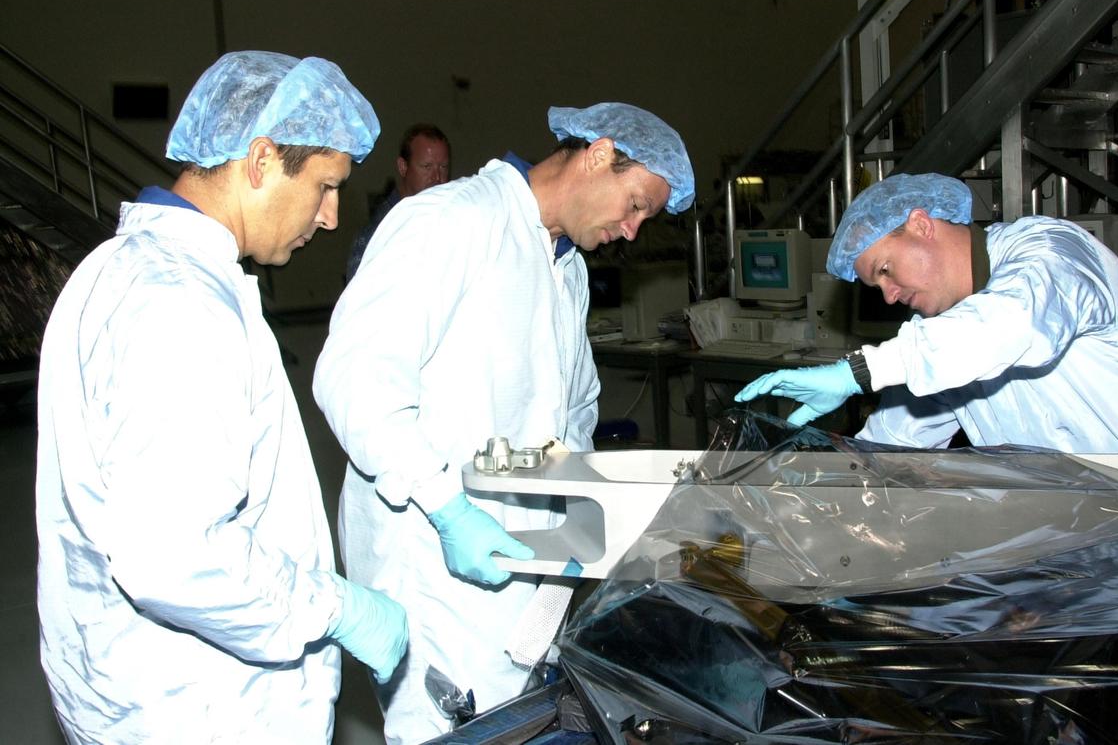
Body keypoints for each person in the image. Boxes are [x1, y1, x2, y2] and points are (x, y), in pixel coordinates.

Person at [35, 51, 409, 744]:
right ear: (262, 160)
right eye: (326, 186)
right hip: (199, 708)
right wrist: (334, 607)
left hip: (135, 683)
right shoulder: (179, 304)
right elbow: (175, 552)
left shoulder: (118, 268)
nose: (330, 217)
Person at [313, 102, 695, 743]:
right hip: (437, 559)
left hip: (523, 564)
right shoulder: (453, 222)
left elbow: (573, 405)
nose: (632, 230)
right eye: (634, 204)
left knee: (520, 720)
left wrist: (584, 505)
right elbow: (356, 379)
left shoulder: (564, 264)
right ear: (598, 154)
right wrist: (447, 508)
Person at [736, 172, 1118, 454]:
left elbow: (1016, 324)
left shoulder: (1048, 249)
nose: (889, 296)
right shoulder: (945, 340)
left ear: (920, 224)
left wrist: (860, 371)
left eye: (887, 270)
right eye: (878, 286)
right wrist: (816, 470)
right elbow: (896, 441)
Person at [346, 122, 451, 281]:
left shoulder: (452, 220)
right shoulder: (377, 234)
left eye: (443, 167)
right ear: (403, 167)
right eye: (427, 166)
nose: (437, 177)